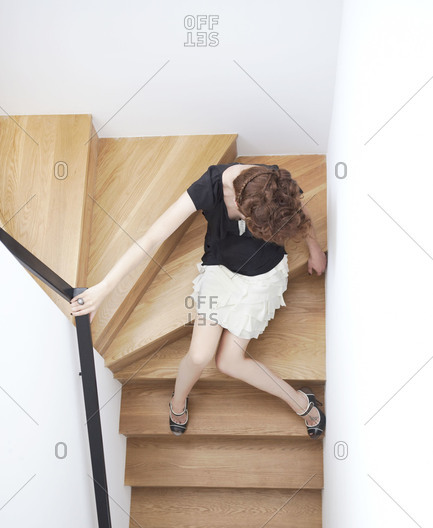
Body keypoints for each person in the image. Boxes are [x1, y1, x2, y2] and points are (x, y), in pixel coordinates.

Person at [70, 162, 327, 439]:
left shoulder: (272, 182)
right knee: (199, 355)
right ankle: (177, 401)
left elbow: (298, 207)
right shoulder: (210, 186)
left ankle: (301, 401)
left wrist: (314, 248)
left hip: (262, 277)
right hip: (221, 270)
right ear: (240, 204)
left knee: (229, 362)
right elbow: (153, 237)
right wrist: (104, 287)